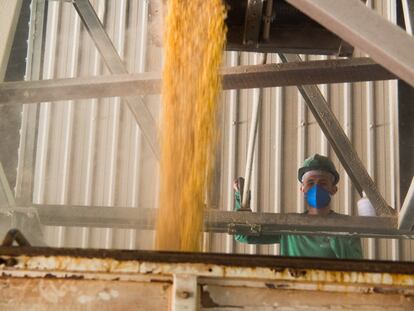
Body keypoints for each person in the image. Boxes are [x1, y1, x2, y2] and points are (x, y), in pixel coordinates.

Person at [234, 154, 363, 259]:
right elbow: (243, 235)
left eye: (323, 183)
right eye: (310, 183)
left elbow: (357, 269)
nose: (316, 188)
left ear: (333, 189)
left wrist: (335, 233)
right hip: (294, 290)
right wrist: (242, 198)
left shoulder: (348, 227)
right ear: (303, 189)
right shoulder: (290, 225)